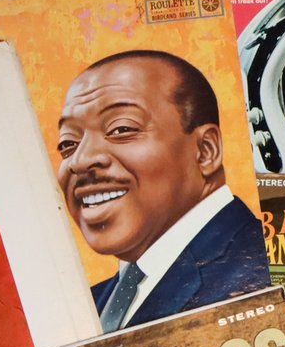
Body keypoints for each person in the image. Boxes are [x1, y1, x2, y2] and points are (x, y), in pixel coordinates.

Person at [56, 50, 270, 330]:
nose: (80, 160)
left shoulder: (260, 269)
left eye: (121, 129)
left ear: (205, 150)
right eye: (68, 143)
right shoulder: (90, 305)